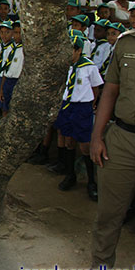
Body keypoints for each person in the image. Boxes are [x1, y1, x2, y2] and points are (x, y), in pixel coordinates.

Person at [75, 0, 135, 270]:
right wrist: (97, 137)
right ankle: (100, 268)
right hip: (120, 139)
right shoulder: (127, 42)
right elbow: (110, 91)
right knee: (109, 212)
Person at [53, 30, 103, 197]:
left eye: (72, 50)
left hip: (82, 108)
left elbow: (96, 89)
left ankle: (91, 181)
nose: (69, 53)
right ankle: (70, 175)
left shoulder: (89, 67)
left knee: (84, 144)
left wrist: (91, 104)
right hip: (67, 105)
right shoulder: (63, 66)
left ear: (79, 50)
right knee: (68, 141)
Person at [0, 21, 24, 117]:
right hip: (7, 82)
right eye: (15, 33)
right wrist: (1, 89)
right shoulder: (10, 49)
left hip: (17, 82)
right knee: (5, 108)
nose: (17, 36)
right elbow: (6, 69)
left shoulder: (24, 50)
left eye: (19, 33)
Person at [0, 21, 14, 112]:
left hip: (6, 78)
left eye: (7, 32)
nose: (4, 35)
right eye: (2, 32)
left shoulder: (13, 50)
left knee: (6, 102)